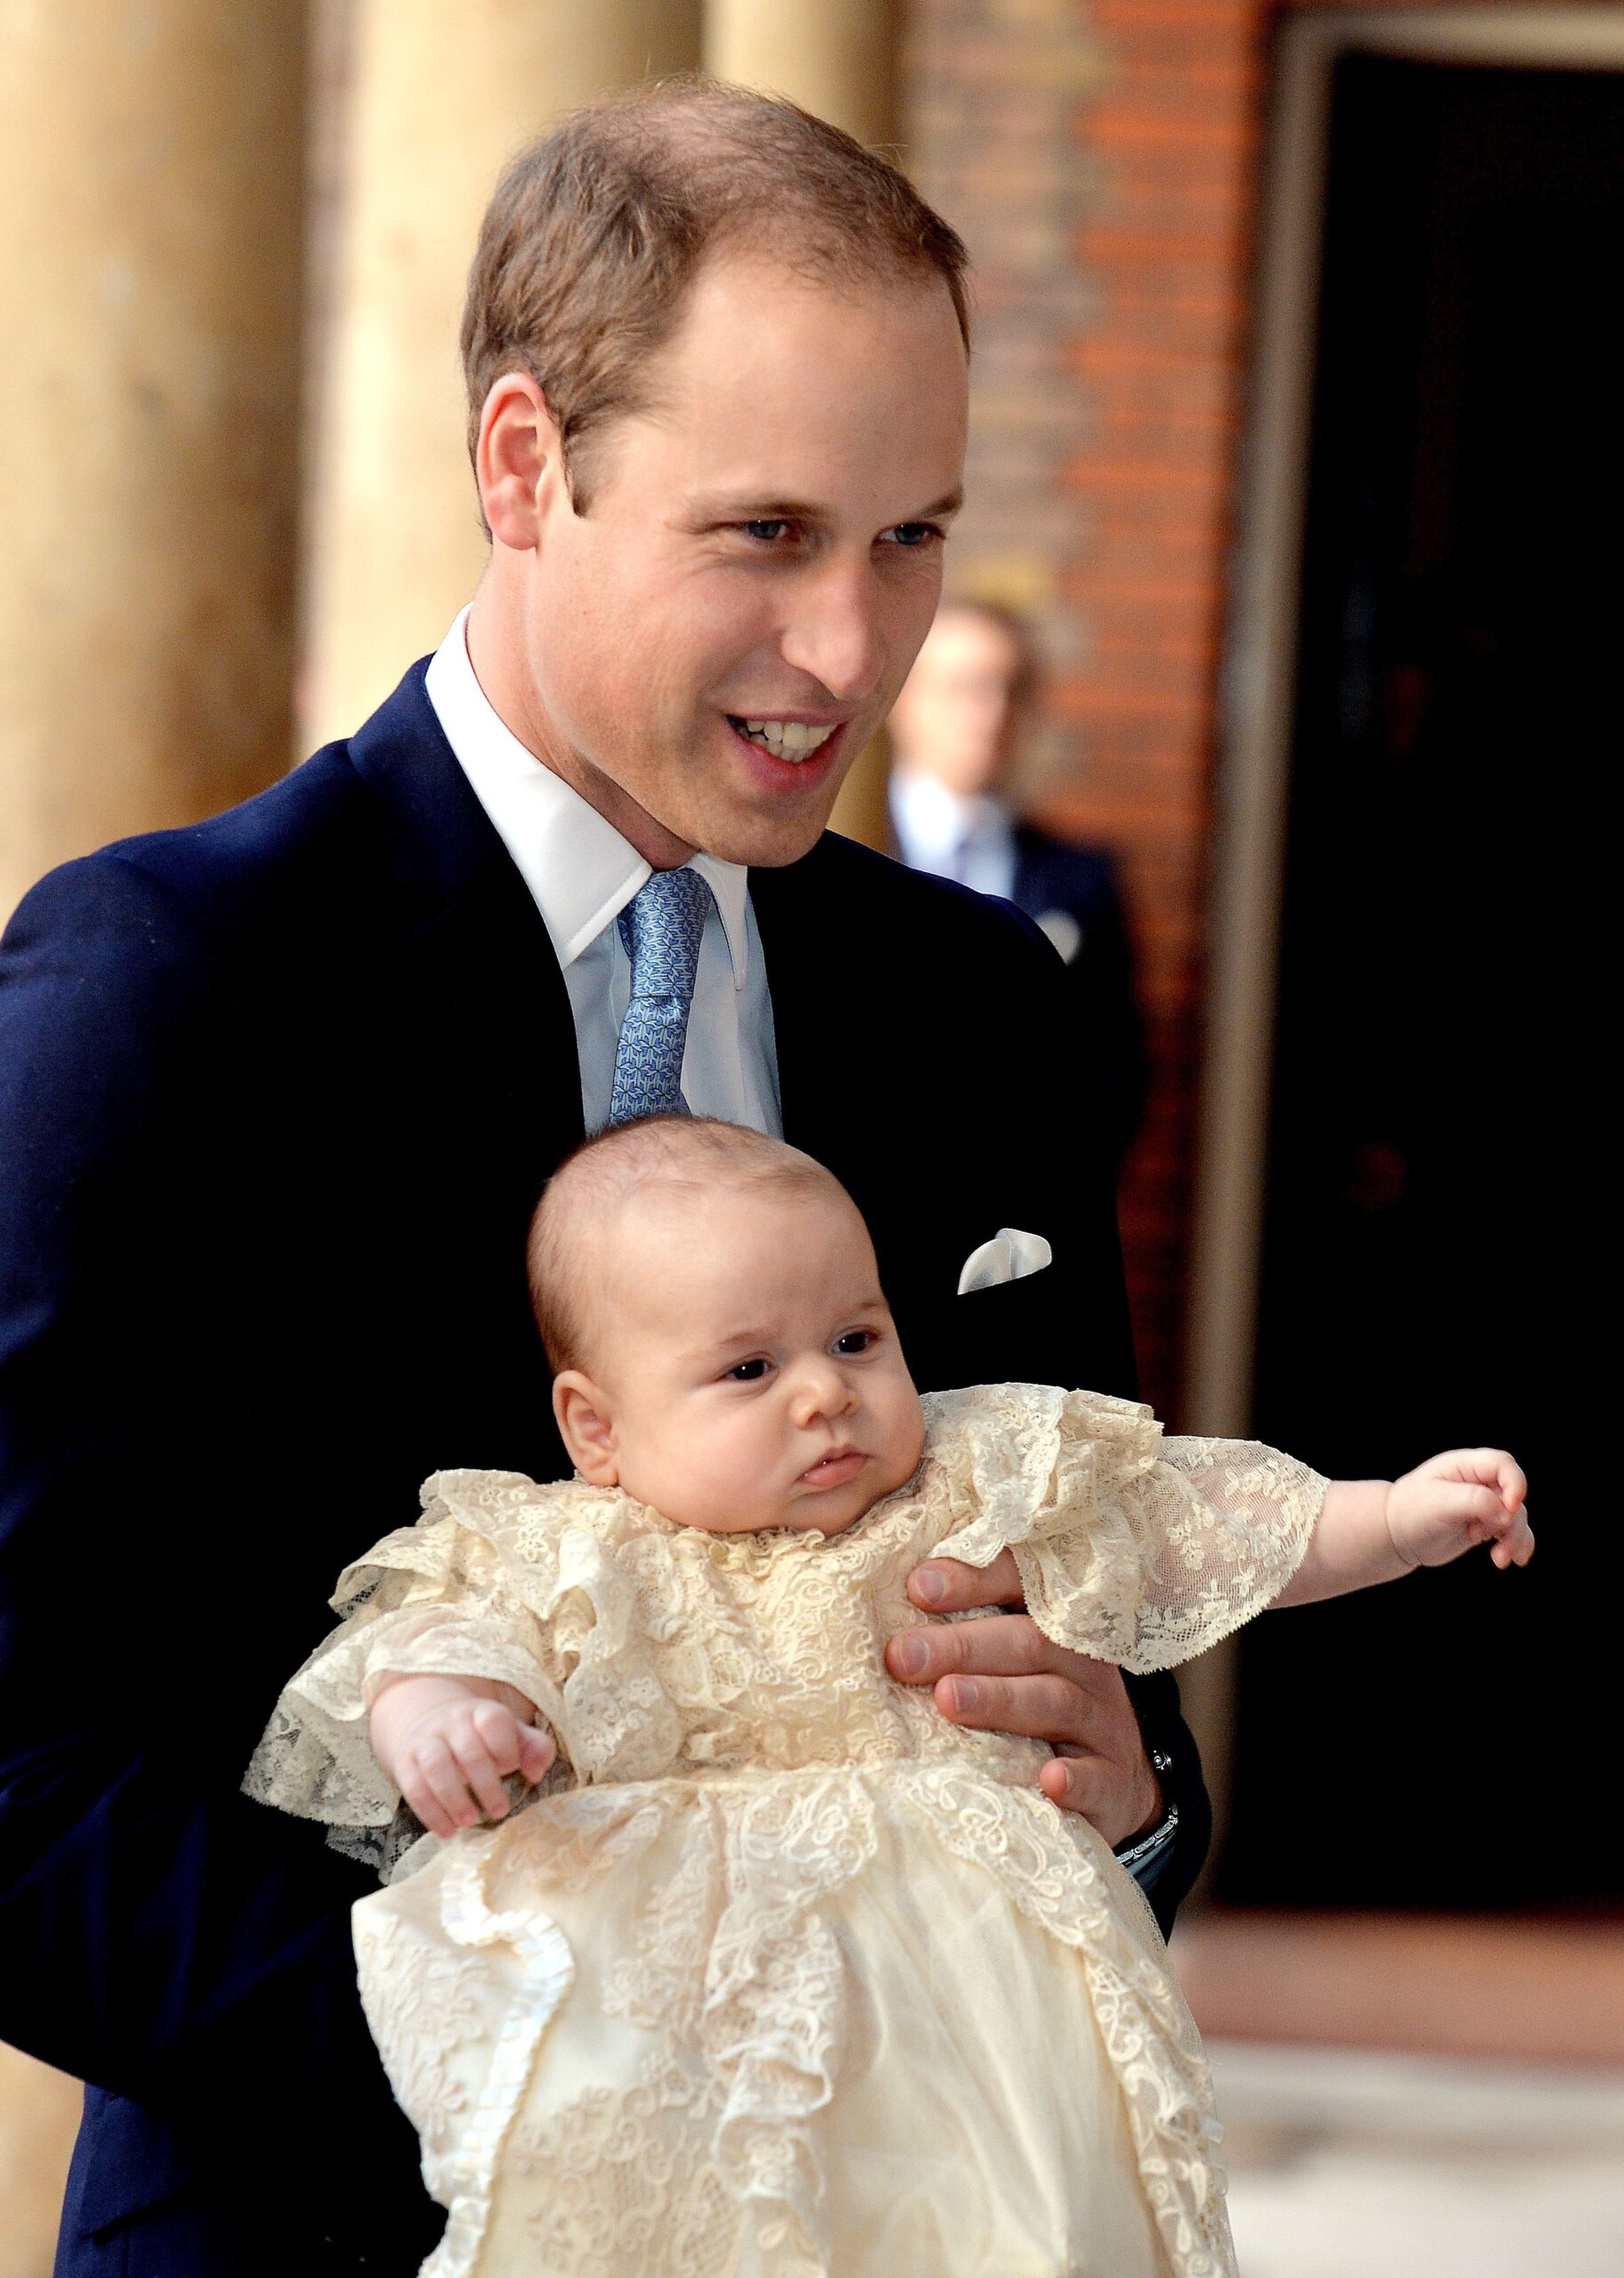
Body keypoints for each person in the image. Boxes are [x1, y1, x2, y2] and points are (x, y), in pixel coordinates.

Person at [0, 81, 1199, 2277]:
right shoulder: (164, 982)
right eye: (765, 534)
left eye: (910, 535)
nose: (853, 651)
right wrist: (573, 2075)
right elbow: (21, 1756)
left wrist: (1122, 1796)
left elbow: (1100, 1653)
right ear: (524, 465)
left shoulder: (974, 1006)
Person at [249, 1116, 1531, 2278]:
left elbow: (1196, 1520)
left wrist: (1392, 1520)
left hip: (980, 2020)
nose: (827, 1394)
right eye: (748, 1370)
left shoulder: (970, 1476)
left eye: (857, 1339)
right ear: (595, 1429)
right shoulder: (571, 1547)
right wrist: (444, 1716)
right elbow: (431, 1631)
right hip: (695, 2035)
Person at [888, 602, 1147, 1162]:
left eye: (1013, 690)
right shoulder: (820, 857)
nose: (991, 712)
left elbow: (1113, 1072)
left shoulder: (1081, 878)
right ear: (899, 700)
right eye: (965, 688)